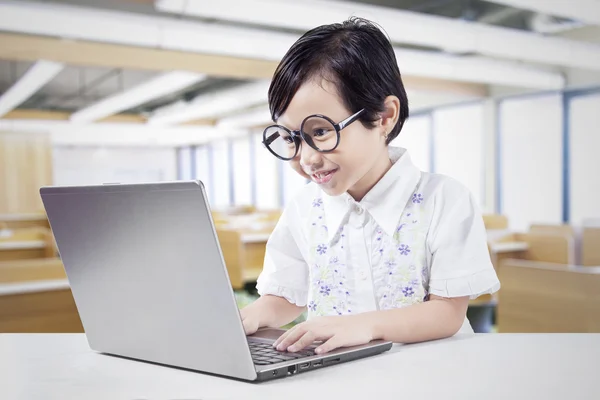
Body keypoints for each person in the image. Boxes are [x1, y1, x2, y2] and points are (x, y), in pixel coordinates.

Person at [240, 17, 500, 355]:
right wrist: (246, 317)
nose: (306, 159)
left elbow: (447, 313)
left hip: (431, 376)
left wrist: (366, 325)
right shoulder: (303, 209)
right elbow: (285, 297)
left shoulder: (444, 200)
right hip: (337, 378)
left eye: (319, 132)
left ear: (384, 116)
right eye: (291, 138)